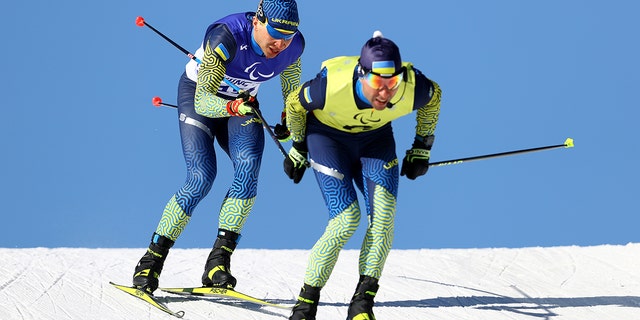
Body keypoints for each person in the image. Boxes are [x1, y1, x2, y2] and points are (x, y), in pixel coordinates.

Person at [132, 0, 304, 295]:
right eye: (274, 33)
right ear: (257, 22)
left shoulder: (294, 46)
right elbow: (203, 101)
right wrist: (235, 106)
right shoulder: (226, 36)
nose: (279, 44)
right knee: (201, 176)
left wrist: (289, 122)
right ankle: (151, 261)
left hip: (242, 105)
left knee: (248, 167)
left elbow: (292, 91)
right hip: (200, 98)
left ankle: (218, 263)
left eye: (286, 37)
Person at [282, 31, 442, 320]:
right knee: (346, 220)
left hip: (375, 143)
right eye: (378, 83)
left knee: (383, 219)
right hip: (327, 140)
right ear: (361, 74)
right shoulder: (330, 87)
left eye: (392, 83)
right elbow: (295, 104)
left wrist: (422, 147)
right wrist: (298, 145)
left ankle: (362, 305)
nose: (386, 92)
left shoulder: (412, 86)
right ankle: (305, 305)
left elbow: (434, 97)